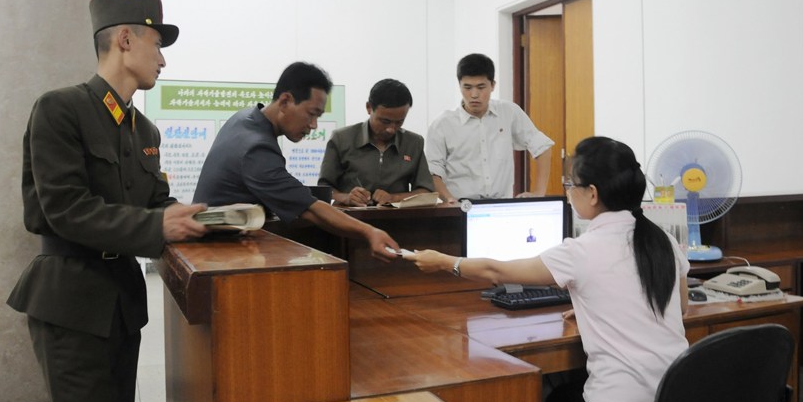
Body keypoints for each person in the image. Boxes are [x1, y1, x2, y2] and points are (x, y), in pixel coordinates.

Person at [7, 0, 209, 402]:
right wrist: (158, 224)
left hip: (122, 303)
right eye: (157, 44)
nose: (163, 60)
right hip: (71, 303)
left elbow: (156, 202)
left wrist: (207, 221)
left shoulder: (144, 129)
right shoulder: (61, 109)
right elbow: (66, 208)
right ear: (124, 39)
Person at [405, 136, 689, 402]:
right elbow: (680, 306)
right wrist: (600, 309)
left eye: (571, 185)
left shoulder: (581, 251)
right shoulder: (663, 240)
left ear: (592, 194)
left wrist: (443, 261)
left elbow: (496, 271)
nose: (568, 194)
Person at [193, 62, 400, 260]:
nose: (313, 125)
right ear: (284, 102)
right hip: (218, 252)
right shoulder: (257, 149)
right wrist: (370, 232)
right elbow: (311, 209)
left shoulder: (245, 117)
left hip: (215, 244)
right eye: (311, 114)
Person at [426, 53, 554, 203]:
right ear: (459, 85)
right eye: (467, 87)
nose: (474, 95)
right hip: (460, 206)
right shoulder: (442, 124)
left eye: (481, 87)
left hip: (501, 206)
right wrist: (449, 199)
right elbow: (433, 172)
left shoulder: (508, 112)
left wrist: (539, 193)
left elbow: (543, 147)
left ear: (493, 85)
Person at [318, 78, 434, 206]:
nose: (391, 129)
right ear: (369, 108)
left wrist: (394, 198)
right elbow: (325, 189)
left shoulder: (413, 143)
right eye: (385, 121)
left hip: (398, 220)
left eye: (399, 122)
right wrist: (347, 198)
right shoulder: (341, 139)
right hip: (350, 219)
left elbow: (426, 192)